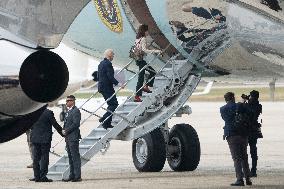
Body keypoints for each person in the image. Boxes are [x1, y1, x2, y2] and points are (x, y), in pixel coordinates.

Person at [220, 92, 252, 186]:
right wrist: (243, 103)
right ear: (233, 98)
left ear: (226, 99)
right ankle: (248, 179)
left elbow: (226, 119)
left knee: (237, 158)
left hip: (232, 135)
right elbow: (250, 113)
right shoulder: (240, 105)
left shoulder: (223, 109)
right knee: (244, 157)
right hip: (243, 134)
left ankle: (239, 179)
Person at [29, 108, 64, 182]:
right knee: (44, 157)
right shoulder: (48, 112)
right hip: (45, 139)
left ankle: (37, 176)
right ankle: (43, 177)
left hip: (35, 138)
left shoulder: (34, 112)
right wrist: (62, 133)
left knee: (36, 158)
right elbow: (55, 124)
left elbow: (29, 125)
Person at [133, 24, 162, 102]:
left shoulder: (137, 38)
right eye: (147, 30)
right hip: (141, 60)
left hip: (138, 59)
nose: (148, 32)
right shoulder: (143, 39)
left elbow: (139, 48)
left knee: (142, 77)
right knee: (149, 74)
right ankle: (138, 95)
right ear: (144, 31)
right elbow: (144, 50)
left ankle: (144, 88)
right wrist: (156, 51)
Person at [98, 49, 123, 129]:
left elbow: (99, 76)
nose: (113, 56)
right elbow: (110, 77)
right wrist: (119, 84)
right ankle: (105, 119)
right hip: (107, 88)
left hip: (101, 87)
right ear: (110, 55)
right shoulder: (108, 64)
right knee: (114, 104)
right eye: (113, 55)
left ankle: (106, 122)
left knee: (111, 104)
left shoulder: (101, 63)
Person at [62, 95, 82, 182]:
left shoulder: (76, 111)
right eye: (66, 101)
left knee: (75, 157)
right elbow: (67, 123)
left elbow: (76, 124)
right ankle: (72, 175)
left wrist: (66, 130)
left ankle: (77, 176)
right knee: (70, 157)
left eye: (68, 101)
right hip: (68, 138)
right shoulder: (69, 111)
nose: (66, 103)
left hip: (73, 137)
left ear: (73, 101)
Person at [247, 90, 263, 177]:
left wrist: (246, 101)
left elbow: (246, 111)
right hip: (254, 131)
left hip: (247, 131)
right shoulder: (259, 105)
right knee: (253, 151)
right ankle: (253, 170)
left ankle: (247, 170)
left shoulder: (248, 105)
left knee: (244, 151)